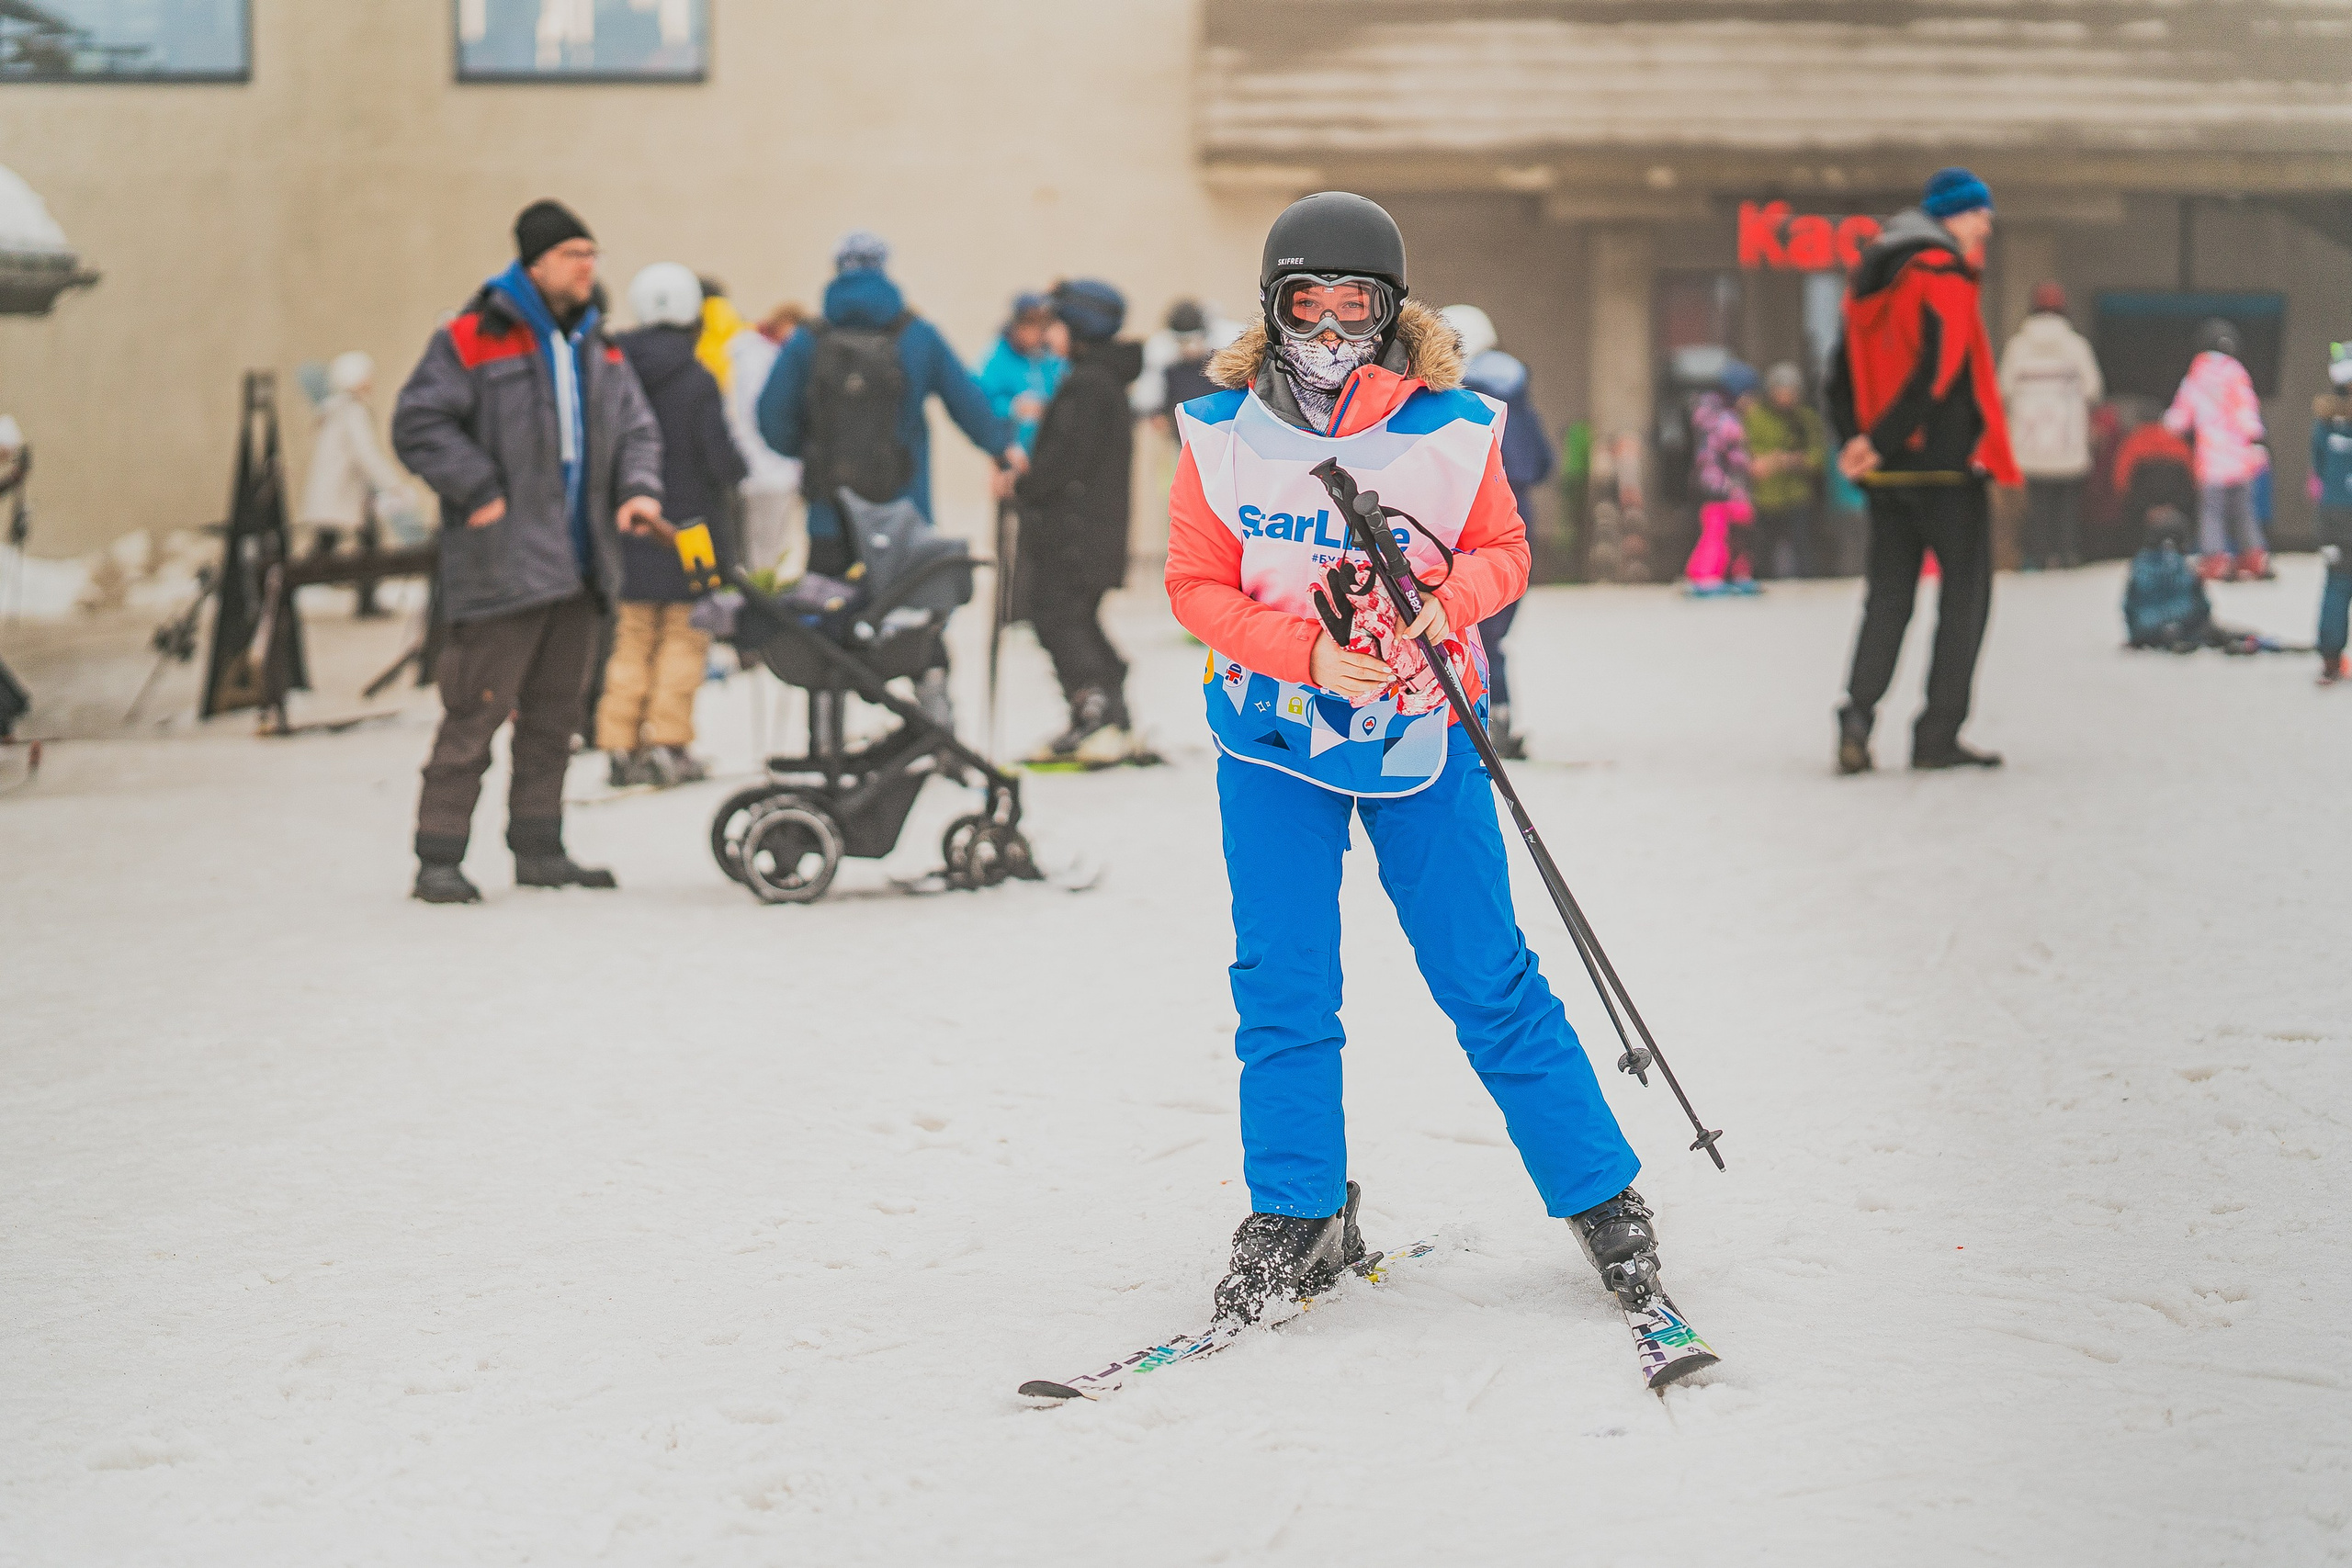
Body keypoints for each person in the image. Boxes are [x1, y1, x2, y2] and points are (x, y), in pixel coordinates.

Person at [1163, 191, 1663, 1330]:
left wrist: (1454, 600)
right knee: (1282, 978)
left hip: (1419, 733)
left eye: (1355, 305)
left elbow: (1503, 549)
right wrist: (1300, 651)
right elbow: (1193, 584)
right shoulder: (1220, 430)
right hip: (1273, 736)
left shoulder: (1453, 426)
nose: (1329, 330)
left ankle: (1600, 1193)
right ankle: (1296, 1210)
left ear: (1391, 310)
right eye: (1307, 304)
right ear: (1274, 306)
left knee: (1484, 971)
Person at [391, 198, 664, 904]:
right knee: (475, 712)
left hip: (580, 566)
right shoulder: (472, 336)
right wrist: (477, 486)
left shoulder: (598, 344)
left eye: (592, 254)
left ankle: (540, 847)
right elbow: (418, 421)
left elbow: (638, 428)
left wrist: (638, 490)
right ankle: (439, 855)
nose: (588, 267)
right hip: (503, 564)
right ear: (536, 263)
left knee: (554, 718)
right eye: (574, 254)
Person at [1826, 167, 2021, 774]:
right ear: (1952, 214)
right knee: (1965, 601)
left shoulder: (1868, 276)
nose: (1986, 225)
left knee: (1887, 599)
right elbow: (1938, 373)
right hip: (1946, 470)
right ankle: (1937, 734)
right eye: (1979, 213)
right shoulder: (1943, 273)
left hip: (1888, 478)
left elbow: (1838, 374)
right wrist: (1882, 441)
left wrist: (1857, 443)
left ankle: (1857, 717)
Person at [755, 230, 1023, 578]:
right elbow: (967, 403)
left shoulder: (808, 340)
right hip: (903, 511)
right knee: (903, 606)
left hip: (828, 513)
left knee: (826, 605)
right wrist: (1002, 446)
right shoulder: (918, 336)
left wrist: (808, 450)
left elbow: (771, 417)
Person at [598, 262, 748, 787]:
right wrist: (738, 470)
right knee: (686, 637)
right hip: (693, 533)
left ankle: (619, 743)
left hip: (630, 525)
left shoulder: (613, 373)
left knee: (632, 638)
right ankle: (669, 742)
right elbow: (721, 460)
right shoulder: (697, 379)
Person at [1016, 280, 1143, 761]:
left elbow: (1064, 462)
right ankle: (1110, 714)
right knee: (1076, 620)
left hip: (1074, 536)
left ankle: (1096, 714)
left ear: (1080, 329)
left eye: (1056, 324)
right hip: (1088, 533)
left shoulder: (1088, 386)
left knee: (1058, 618)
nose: (1049, 335)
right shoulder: (1100, 380)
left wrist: (1024, 483)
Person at [1440, 303, 1555, 755]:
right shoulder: (1518, 396)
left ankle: (1477, 722)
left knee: (1469, 627)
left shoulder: (1460, 400)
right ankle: (1499, 719)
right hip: (1518, 523)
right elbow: (1542, 463)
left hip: (1471, 521)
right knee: (1493, 632)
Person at [298, 350, 417, 614]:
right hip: (342, 494)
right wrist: (393, 485)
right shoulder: (353, 411)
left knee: (342, 545)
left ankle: (365, 600)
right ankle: (285, 587)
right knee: (351, 546)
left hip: (339, 494)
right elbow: (366, 454)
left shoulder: (337, 408)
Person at [1998, 282, 2105, 570]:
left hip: (2028, 446)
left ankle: (2038, 557)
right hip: (2068, 443)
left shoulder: (2017, 347)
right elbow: (2093, 389)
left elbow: (2002, 390)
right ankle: (2066, 554)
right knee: (2067, 504)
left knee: (2036, 505)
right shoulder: (2076, 346)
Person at [2165, 319, 2271, 581]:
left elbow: (2180, 416)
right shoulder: (2237, 373)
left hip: (2211, 461)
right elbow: (2247, 411)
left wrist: (2168, 422)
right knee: (2244, 511)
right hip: (2239, 460)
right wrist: (2255, 438)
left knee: (2212, 512)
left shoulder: (2198, 374)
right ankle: (2254, 556)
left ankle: (2215, 559)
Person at [724, 303, 807, 579]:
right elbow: (757, 415)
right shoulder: (759, 358)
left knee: (764, 547)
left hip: (762, 467)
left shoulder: (749, 353)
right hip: (765, 468)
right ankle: (762, 597)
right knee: (763, 552)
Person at [1743, 361, 1828, 579]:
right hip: (1765, 496)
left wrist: (1794, 461)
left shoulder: (1805, 419)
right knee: (1762, 552)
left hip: (1797, 495)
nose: (1785, 397)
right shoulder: (1756, 417)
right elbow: (1746, 453)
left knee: (1803, 549)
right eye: (1780, 391)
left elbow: (1818, 456)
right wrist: (1766, 461)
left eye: (1790, 392)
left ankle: (1808, 587)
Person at [1682, 362, 1759, 597]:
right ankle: (1706, 575)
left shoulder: (1710, 414)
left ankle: (1735, 573)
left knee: (1731, 531)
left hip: (1714, 485)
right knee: (1719, 533)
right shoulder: (1726, 419)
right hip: (1720, 486)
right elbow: (1733, 455)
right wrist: (1748, 468)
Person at [2308, 344, 2352, 684]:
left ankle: (2330, 659)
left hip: (2335, 514)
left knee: (2337, 583)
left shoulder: (2325, 421)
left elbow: (2319, 466)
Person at [976, 292, 1066, 457]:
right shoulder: (996, 358)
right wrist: (1014, 407)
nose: (1039, 332)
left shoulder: (1051, 355)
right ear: (1017, 325)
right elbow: (979, 401)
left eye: (1043, 325)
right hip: (1014, 451)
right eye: (1031, 324)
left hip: (1051, 449)